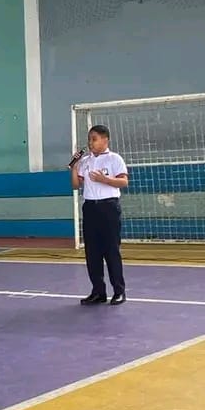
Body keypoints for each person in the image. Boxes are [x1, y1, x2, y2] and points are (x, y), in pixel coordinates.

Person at [70, 125, 128, 305]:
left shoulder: (114, 159)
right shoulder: (85, 161)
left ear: (105, 140)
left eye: (94, 139)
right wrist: (74, 168)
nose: (90, 143)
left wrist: (105, 180)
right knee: (92, 252)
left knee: (111, 250)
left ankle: (119, 291)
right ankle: (98, 291)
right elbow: (76, 185)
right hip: (90, 208)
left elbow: (124, 181)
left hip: (108, 207)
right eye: (89, 139)